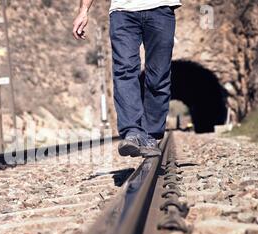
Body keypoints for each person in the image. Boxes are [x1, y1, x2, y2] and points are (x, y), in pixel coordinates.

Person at [73, 0, 181, 157]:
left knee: (158, 76)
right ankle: (132, 131)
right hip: (122, 12)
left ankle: (151, 134)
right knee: (124, 70)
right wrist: (83, 11)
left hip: (161, 9)